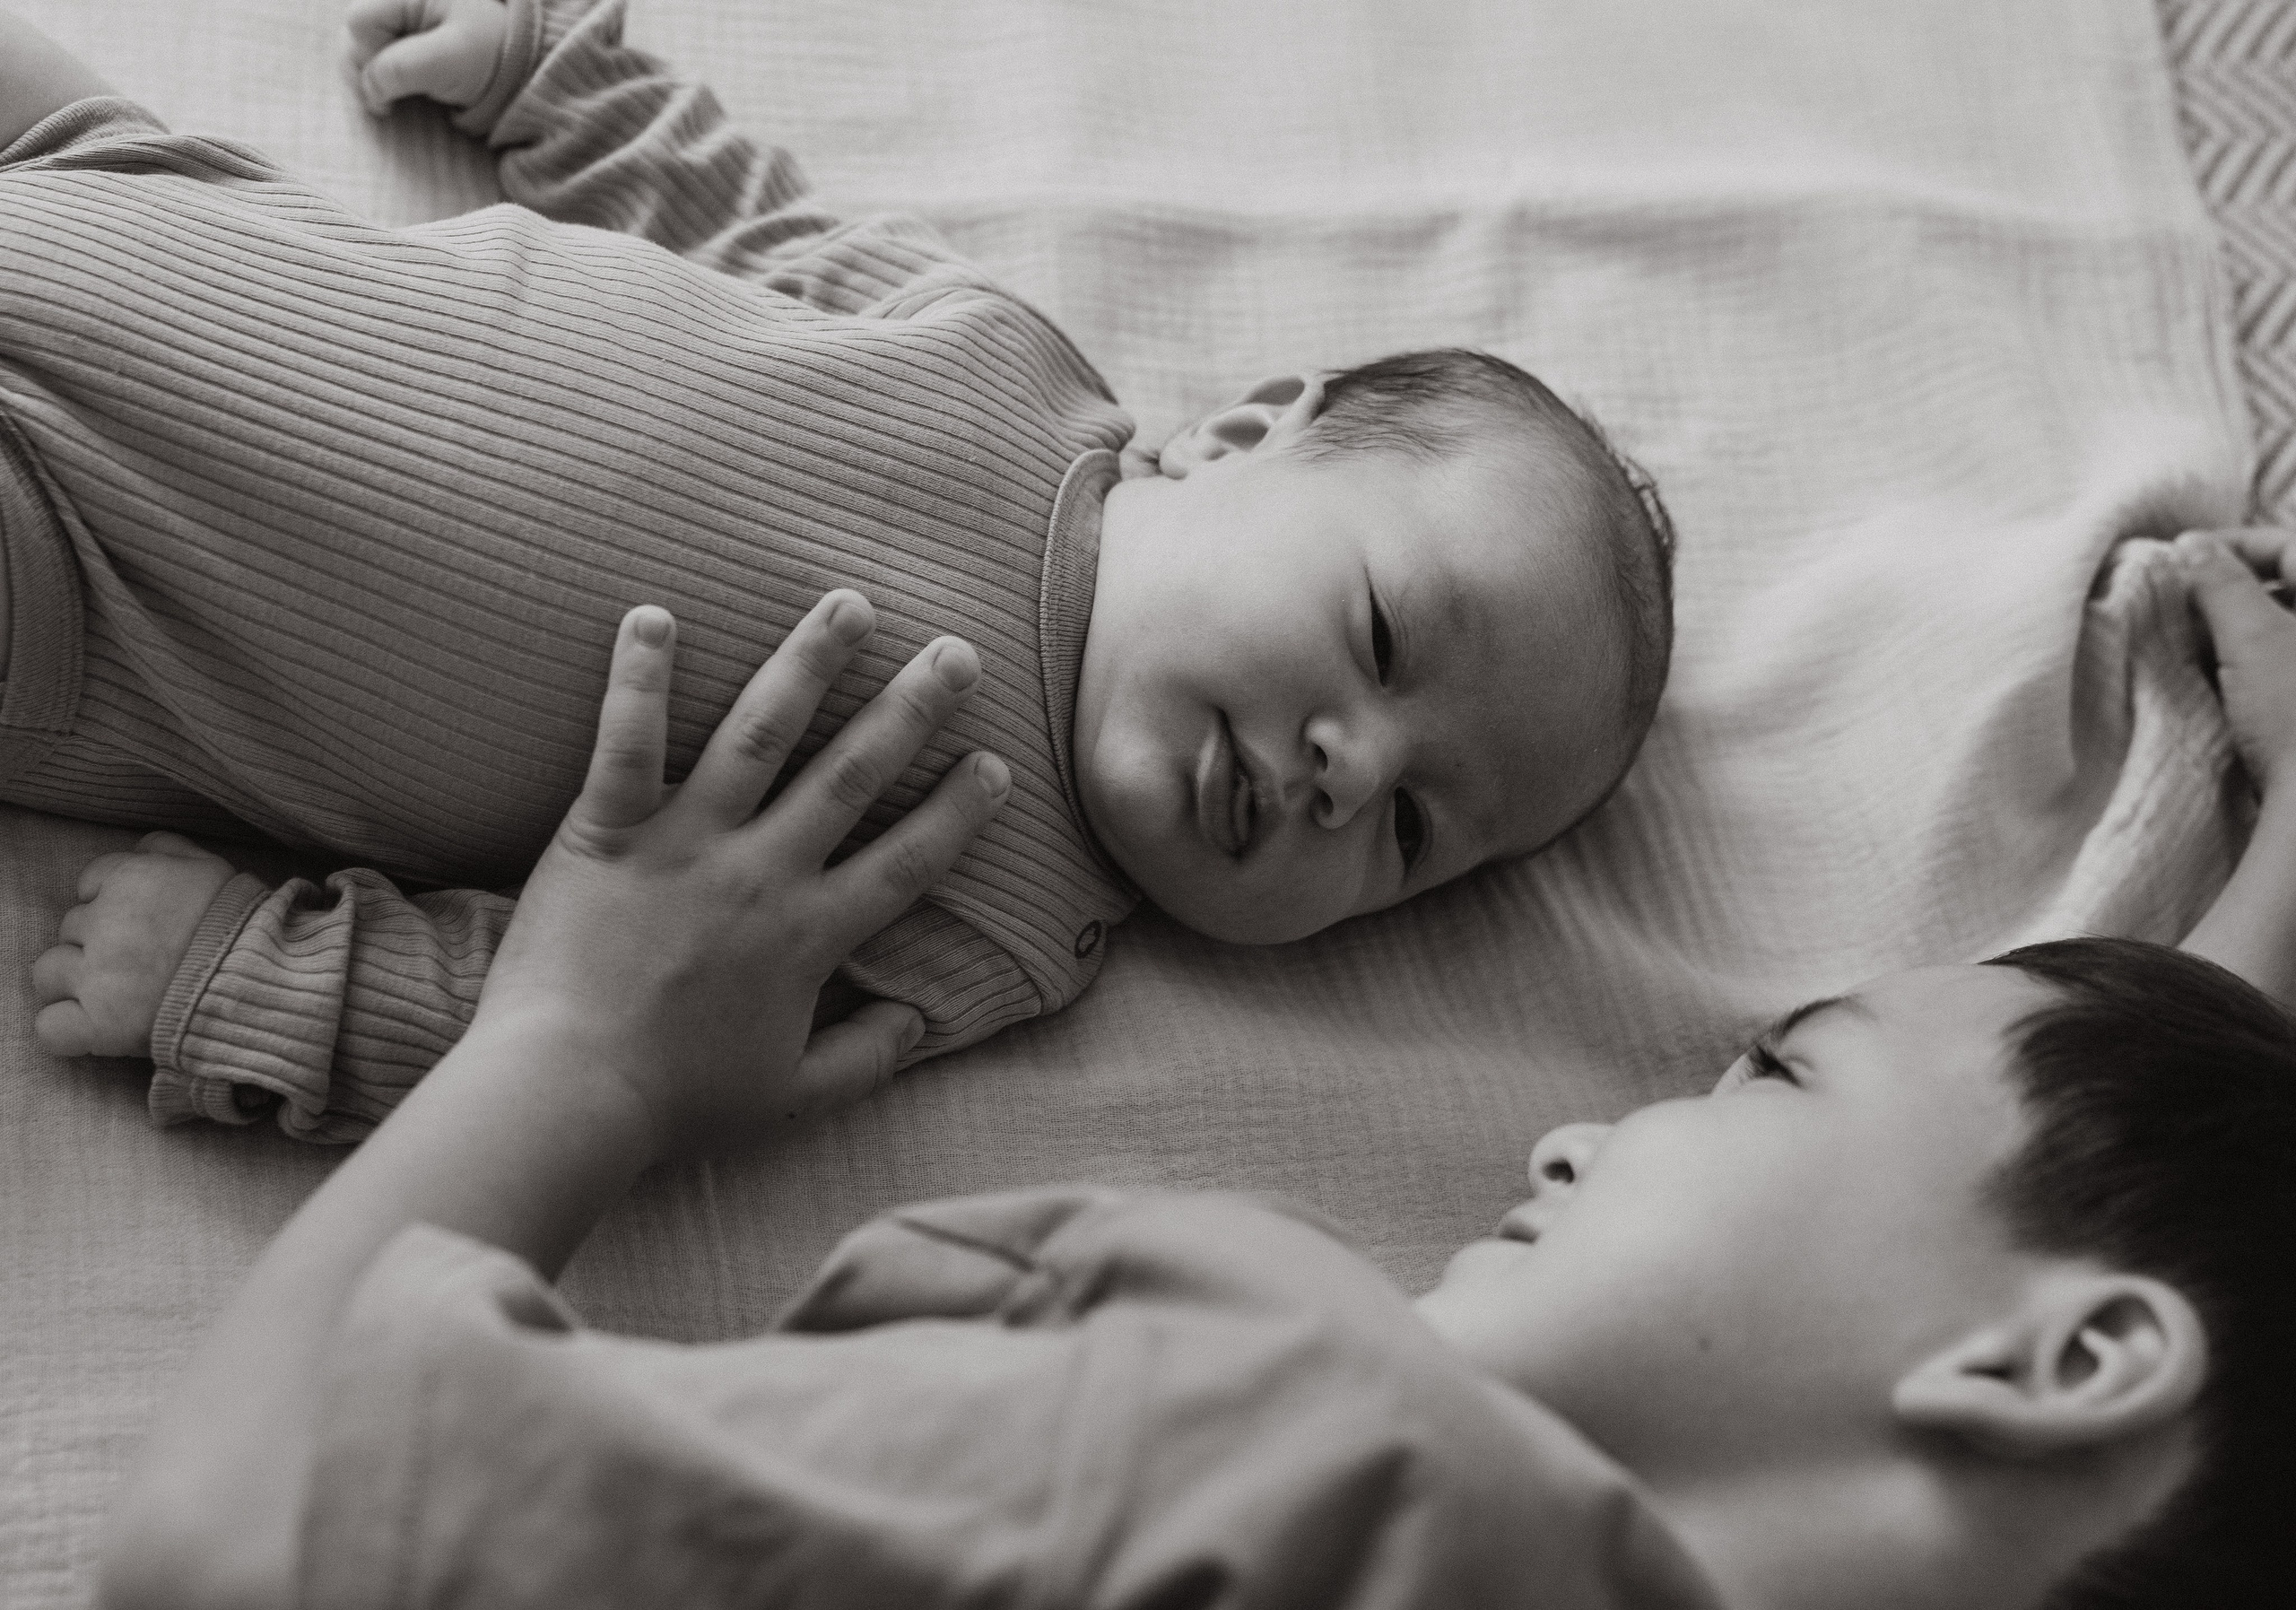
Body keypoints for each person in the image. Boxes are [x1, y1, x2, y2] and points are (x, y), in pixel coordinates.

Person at [89, 527, 2296, 1609]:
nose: (1577, 1123)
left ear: (2063, 1364)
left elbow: (231, 1536)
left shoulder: (1307, 1455)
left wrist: (580, 1047)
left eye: (1766, 1075)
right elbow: (2078, 1204)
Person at [0, 0, 1674, 1140]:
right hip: (145, 201)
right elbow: (738, 215)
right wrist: (551, 68)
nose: (1350, 770)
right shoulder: (1010, 365)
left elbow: (597, 1031)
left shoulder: (983, 915)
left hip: (90, 589)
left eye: (1410, 834)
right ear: (1238, 435)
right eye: (1378, 636)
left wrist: (262, 980)